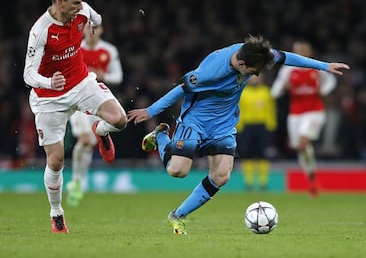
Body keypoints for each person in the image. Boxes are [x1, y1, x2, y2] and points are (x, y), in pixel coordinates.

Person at [127, 35, 349, 235]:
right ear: (241, 65)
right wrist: (150, 111)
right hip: (196, 121)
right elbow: (180, 89)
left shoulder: (254, 53)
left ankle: (177, 215)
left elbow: (286, 57)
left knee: (221, 175)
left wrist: (324, 66)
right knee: (177, 171)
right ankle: (161, 136)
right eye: (253, 72)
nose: (256, 75)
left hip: (223, 125)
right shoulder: (211, 72)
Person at [23, 0, 127, 233]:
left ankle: (100, 131)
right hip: (50, 99)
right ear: (60, 3)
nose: (81, 7)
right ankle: (56, 213)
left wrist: (94, 23)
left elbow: (96, 16)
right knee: (56, 160)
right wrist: (49, 83)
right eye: (75, 3)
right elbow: (28, 74)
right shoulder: (40, 31)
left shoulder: (82, 12)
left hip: (81, 84)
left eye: (82, 2)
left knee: (120, 120)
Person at [66, 24, 123, 206]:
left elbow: (118, 77)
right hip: (78, 101)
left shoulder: (109, 50)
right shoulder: (76, 49)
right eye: (88, 28)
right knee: (84, 140)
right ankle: (76, 182)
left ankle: (78, 183)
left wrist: (102, 75)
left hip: (99, 100)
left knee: (90, 142)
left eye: (95, 28)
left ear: (101, 30)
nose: (92, 31)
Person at [270, 41, 337, 197]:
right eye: (297, 50)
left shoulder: (316, 67)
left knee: (302, 143)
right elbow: (275, 91)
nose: (299, 52)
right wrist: (281, 88)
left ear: (309, 52)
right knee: (300, 148)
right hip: (295, 114)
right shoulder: (288, 70)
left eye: (302, 49)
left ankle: (312, 177)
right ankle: (311, 177)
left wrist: (324, 90)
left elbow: (331, 81)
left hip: (314, 112)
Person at [236, 73, 277, 191]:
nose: (254, 79)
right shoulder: (243, 93)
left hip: (262, 126)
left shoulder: (266, 92)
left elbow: (271, 109)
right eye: (252, 77)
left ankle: (263, 182)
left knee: (263, 154)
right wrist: (239, 125)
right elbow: (238, 109)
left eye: (257, 77)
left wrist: (271, 125)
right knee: (246, 153)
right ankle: (249, 182)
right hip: (246, 126)